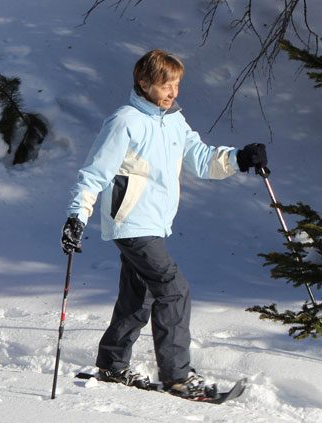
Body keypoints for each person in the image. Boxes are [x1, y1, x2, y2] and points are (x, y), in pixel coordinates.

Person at [61, 49, 267, 399]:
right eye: (165, 84)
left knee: (137, 298)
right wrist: (77, 216)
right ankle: (177, 376)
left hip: (154, 223)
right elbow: (95, 172)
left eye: (176, 84)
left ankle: (112, 365)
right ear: (143, 83)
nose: (173, 91)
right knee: (174, 289)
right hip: (131, 222)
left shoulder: (173, 121)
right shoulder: (125, 121)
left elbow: (202, 161)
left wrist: (240, 157)